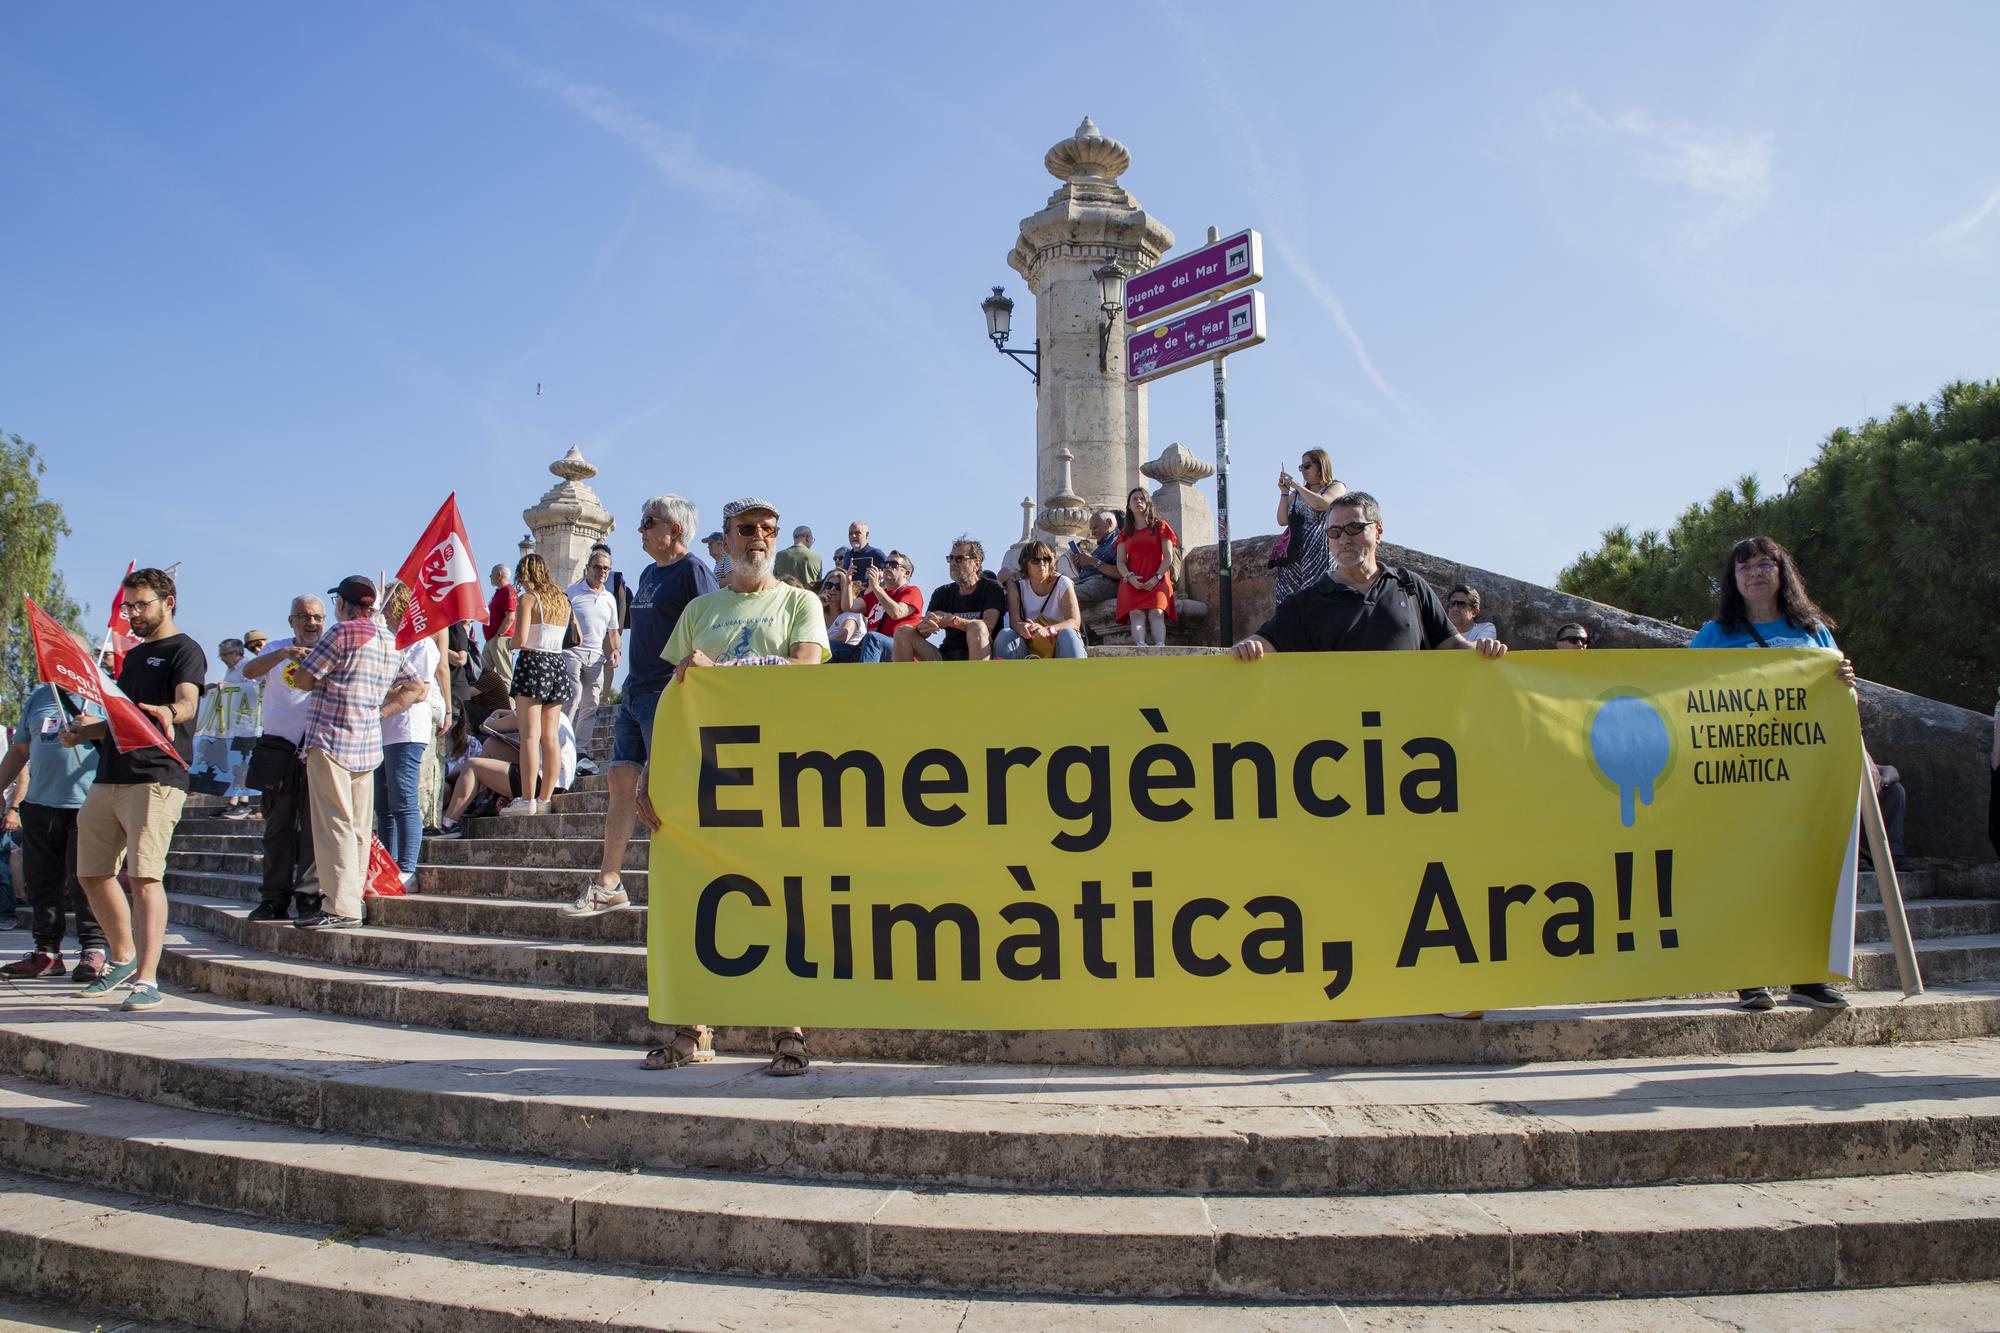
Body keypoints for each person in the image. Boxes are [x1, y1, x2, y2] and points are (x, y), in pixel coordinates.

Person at [645, 496, 828, 1076]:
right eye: (747, 529)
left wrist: (721, 673)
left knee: (784, 903)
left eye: (769, 529)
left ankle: (789, 1028)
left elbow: (805, 671)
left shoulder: (799, 602)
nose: (760, 538)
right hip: (708, 778)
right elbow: (673, 697)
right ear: (725, 539)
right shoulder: (699, 610)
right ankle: (694, 1026)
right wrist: (650, 773)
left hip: (781, 772)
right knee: (699, 897)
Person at [1687, 535, 1858, 1012]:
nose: (1755, 573)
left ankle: (1808, 978)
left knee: (1804, 876)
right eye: (1744, 567)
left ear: (1783, 573)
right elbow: (1684, 694)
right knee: (1744, 876)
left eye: (1765, 564)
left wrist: (1846, 684)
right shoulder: (1714, 634)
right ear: (1733, 579)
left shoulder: (1813, 631)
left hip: (1802, 779)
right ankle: (1749, 977)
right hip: (1737, 779)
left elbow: (1839, 698)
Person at [59, 568, 206, 1010]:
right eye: (128, 607)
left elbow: (188, 701)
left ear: (168, 602)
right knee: (90, 874)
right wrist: (86, 732)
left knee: (144, 878)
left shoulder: (185, 649)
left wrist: (171, 712)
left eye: (141, 605)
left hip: (156, 777)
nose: (133, 614)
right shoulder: (134, 656)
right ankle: (122, 958)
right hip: (109, 776)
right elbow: (124, 721)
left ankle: (147, 979)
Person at [567, 494, 716, 920]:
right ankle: (609, 883)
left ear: (674, 529)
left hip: (666, 692)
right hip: (635, 691)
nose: (641, 529)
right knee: (619, 780)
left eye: (649, 522)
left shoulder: (694, 571)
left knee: (665, 791)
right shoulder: (649, 572)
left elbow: (709, 632)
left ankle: (687, 883)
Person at [285, 576, 427, 931]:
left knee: (334, 824)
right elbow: (417, 687)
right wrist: (383, 711)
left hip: (331, 738)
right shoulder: (389, 639)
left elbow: (302, 680)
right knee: (360, 827)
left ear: (342, 604)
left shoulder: (341, 632)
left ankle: (339, 905)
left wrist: (319, 672)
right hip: (367, 741)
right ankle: (354, 899)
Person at [1231, 493, 1510, 662]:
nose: (1343, 539)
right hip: (1337, 735)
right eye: (1334, 532)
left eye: (1354, 528)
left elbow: (1451, 645)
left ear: (1378, 531)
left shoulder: (1410, 587)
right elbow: (1262, 643)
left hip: (1408, 731)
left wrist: (1481, 649)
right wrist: (1245, 649)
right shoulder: (1305, 602)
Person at [0, 676, 107, 980]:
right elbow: (20, 750)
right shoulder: (39, 697)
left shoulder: (103, 691)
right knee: (41, 882)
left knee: (85, 880)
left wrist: (97, 727)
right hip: (40, 803)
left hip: (88, 802)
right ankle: (46, 953)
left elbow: (127, 739)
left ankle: (94, 950)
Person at [241, 597, 327, 921]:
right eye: (304, 616)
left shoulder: (332, 648)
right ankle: (273, 899)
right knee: (278, 828)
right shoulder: (276, 648)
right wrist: (284, 654)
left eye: (317, 617)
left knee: (314, 830)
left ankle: (309, 897)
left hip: (319, 747)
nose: (311, 623)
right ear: (291, 620)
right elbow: (249, 671)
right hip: (279, 748)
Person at [375, 581, 445, 886]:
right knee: (383, 806)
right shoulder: (390, 643)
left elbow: (420, 690)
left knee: (403, 801)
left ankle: (407, 868)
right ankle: (387, 867)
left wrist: (380, 692)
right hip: (383, 731)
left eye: (386, 603)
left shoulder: (421, 644)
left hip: (406, 729)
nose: (382, 610)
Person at [503, 553, 576, 818]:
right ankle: (545, 798)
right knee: (550, 737)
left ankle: (527, 799)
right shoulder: (562, 600)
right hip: (557, 664)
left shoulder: (528, 599)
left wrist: (508, 642)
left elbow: (520, 639)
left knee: (530, 736)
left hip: (533, 663)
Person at [438, 708, 576, 832]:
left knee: (472, 765)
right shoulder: (555, 712)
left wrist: (492, 719)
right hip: (556, 778)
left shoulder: (530, 707)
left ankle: (449, 823)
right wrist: (502, 712)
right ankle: (473, 800)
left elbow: (488, 726)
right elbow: (515, 716)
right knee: (491, 745)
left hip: (544, 782)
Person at [896, 538, 1004, 662]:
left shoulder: (991, 588)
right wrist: (927, 625)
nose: (953, 563)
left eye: (959, 559)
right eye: (950, 558)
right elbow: (923, 633)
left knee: (977, 627)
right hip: (946, 656)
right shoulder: (942, 593)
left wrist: (951, 621)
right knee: (903, 632)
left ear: (976, 564)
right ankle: (902, 675)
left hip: (979, 654)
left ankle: (977, 675)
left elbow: (988, 627)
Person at [564, 548, 622, 756]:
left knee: (591, 704)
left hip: (596, 655)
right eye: (597, 567)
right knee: (572, 696)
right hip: (572, 652)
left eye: (606, 568)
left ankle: (580, 750)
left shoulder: (609, 599)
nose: (601, 572)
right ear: (588, 568)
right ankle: (560, 743)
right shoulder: (572, 592)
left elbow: (613, 630)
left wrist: (616, 650)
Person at [1273, 448, 1347, 606]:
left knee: (1316, 595)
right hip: (1294, 551)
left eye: (1307, 466)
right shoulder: (1297, 494)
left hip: (1319, 549)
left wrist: (1298, 486)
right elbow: (1282, 520)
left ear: (1320, 465)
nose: (1303, 471)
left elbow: (1323, 504)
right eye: (1301, 467)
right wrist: (1284, 493)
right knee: (1290, 600)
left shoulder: (1335, 487)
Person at [995, 541, 1086, 660]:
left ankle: (1076, 672)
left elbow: (1074, 622)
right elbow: (1015, 622)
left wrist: (1048, 630)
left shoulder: (1063, 583)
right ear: (1025, 563)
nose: (1042, 564)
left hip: (1059, 646)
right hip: (1029, 648)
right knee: (1005, 634)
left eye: (1046, 559)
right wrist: (1024, 627)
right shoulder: (1017, 588)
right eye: (1036, 560)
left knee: (1068, 633)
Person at [1115, 487, 1178, 648]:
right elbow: (1120, 562)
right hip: (1133, 580)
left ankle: (1160, 646)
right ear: (1129, 505)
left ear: (1148, 503)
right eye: (1134, 499)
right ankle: (1140, 646)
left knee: (1157, 612)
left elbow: (1168, 557)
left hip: (1158, 577)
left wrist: (1157, 577)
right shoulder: (1125, 532)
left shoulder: (1160, 526)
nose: (1138, 501)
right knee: (1136, 614)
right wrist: (1129, 577)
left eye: (1142, 498)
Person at [850, 550, 922, 661]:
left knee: (872, 637)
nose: (887, 567)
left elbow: (896, 613)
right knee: (833, 647)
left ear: (906, 573)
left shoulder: (913, 591)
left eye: (893, 564)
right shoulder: (877, 593)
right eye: (885, 564)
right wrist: (847, 582)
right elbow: (849, 606)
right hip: (873, 648)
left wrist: (876, 587)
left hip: (901, 651)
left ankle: (865, 673)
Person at [1066, 510, 1123, 605]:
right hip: (1088, 581)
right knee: (1058, 587)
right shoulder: (1101, 546)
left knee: (1065, 594)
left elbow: (1121, 573)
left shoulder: (1120, 541)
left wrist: (1092, 561)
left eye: (1095, 527)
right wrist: (1079, 564)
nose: (1092, 533)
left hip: (1105, 583)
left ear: (1109, 523)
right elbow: (1091, 570)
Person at [483, 564, 517, 651]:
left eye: (492, 574)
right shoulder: (500, 592)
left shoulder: (508, 591)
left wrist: (498, 635)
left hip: (501, 640)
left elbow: (510, 617)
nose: (490, 576)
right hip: (492, 641)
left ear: (499, 575)